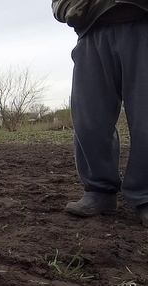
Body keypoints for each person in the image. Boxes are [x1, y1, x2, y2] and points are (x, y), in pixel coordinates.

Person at [53, 0, 148, 227]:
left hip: (142, 22)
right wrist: (67, 7)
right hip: (91, 30)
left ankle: (145, 195)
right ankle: (99, 191)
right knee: (88, 120)